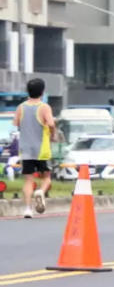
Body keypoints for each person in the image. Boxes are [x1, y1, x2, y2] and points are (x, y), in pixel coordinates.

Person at [12, 78, 56, 218]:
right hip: (41, 148)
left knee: (28, 180)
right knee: (47, 177)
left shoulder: (21, 107)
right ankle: (41, 192)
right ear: (42, 91)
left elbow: (16, 123)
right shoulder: (44, 107)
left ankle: (27, 209)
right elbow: (51, 124)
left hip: (25, 148)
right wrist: (52, 135)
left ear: (28, 91)